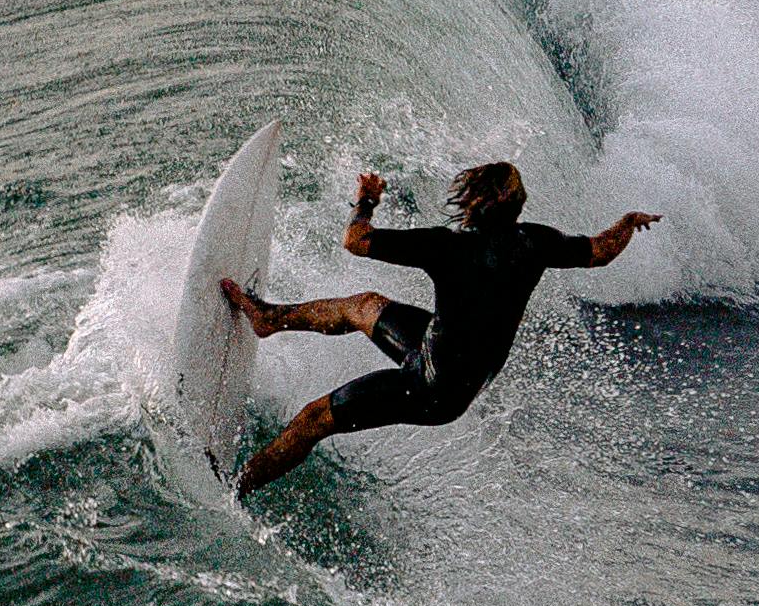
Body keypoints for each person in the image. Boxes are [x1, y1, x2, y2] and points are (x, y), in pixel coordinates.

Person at [221, 160, 658, 499]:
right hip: (449, 358)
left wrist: (366, 201)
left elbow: (354, 240)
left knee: (314, 418)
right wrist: (626, 223)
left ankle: (234, 488)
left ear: (471, 203)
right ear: (516, 208)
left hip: (430, 388)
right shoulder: (535, 243)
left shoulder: (445, 247)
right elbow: (600, 252)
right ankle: (268, 319)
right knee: (364, 306)